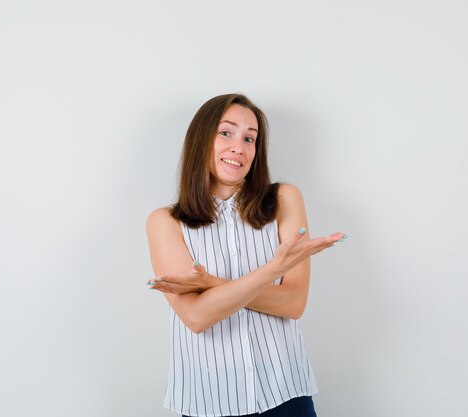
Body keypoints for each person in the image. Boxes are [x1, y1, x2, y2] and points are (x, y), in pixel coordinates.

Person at [146, 93, 346, 417]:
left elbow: (293, 303)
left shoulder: (284, 199)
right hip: (208, 400)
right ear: (201, 140)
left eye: (249, 138)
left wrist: (210, 284)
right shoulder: (165, 222)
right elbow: (197, 317)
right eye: (226, 132)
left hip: (285, 394)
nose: (239, 147)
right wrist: (274, 270)